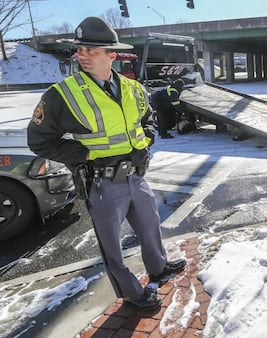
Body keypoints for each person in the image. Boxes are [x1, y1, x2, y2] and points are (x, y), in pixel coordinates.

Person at [27, 16, 185, 310]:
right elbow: (39, 140)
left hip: (136, 175)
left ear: (112, 54)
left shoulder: (133, 88)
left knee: (150, 225)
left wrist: (147, 139)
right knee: (111, 244)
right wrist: (83, 155)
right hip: (101, 183)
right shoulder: (62, 94)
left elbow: (147, 118)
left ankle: (159, 268)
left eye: (90, 50)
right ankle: (131, 293)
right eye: (79, 49)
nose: (81, 55)